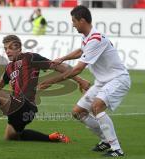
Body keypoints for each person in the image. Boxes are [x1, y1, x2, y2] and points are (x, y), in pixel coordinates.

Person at [0, 35, 90, 143]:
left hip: (26, 105)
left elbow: (57, 66)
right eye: (5, 48)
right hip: (18, 108)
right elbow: (0, 84)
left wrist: (80, 80)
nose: (8, 51)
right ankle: (53, 138)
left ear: (19, 48)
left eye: (11, 48)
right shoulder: (9, 67)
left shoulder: (30, 58)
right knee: (12, 136)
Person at [39, 5, 130, 157]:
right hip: (103, 81)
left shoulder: (95, 39)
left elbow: (77, 69)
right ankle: (105, 140)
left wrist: (52, 81)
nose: (73, 25)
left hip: (118, 79)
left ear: (82, 21)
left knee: (97, 106)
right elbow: (81, 51)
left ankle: (116, 149)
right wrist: (62, 58)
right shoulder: (87, 38)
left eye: (74, 21)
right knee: (78, 112)